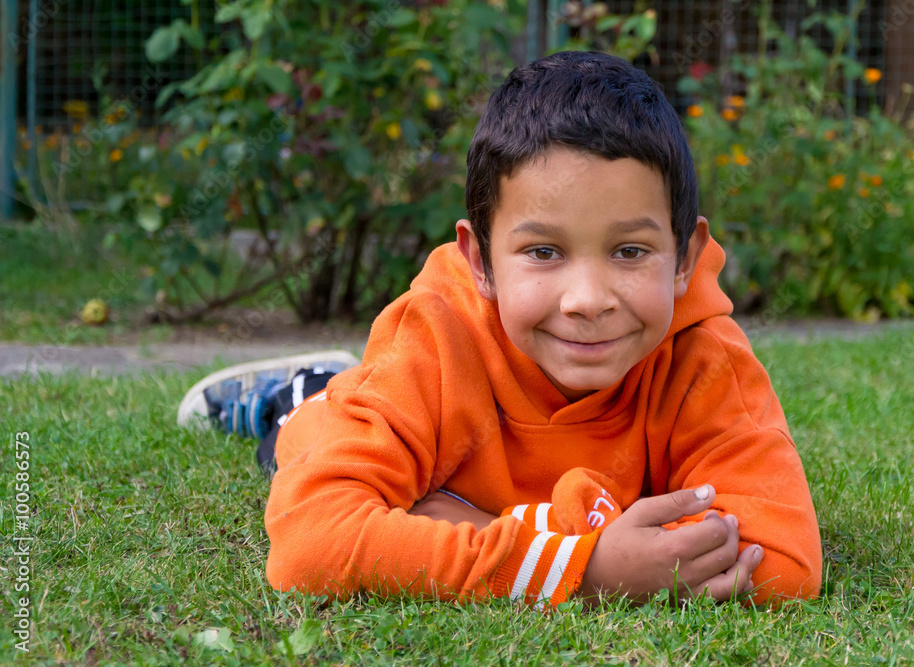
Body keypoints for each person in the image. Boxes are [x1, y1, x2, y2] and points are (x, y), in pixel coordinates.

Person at [179, 51, 822, 609]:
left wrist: (467, 521)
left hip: (456, 478)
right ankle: (286, 393)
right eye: (544, 252)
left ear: (684, 259)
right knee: (306, 425)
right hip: (333, 420)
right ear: (481, 262)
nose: (587, 300)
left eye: (630, 252)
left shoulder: (704, 355)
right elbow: (310, 544)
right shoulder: (436, 338)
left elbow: (787, 560)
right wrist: (590, 569)